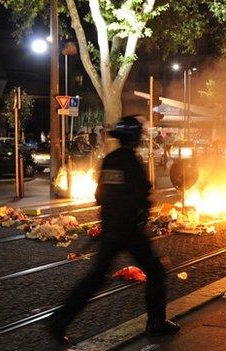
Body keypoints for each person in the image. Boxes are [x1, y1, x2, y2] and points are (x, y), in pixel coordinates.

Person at [49, 115, 180, 344]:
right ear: (135, 138)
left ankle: (59, 320)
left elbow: (99, 195)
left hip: (111, 229)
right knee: (156, 272)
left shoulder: (110, 159)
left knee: (96, 278)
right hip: (130, 231)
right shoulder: (132, 162)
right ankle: (156, 323)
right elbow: (142, 197)